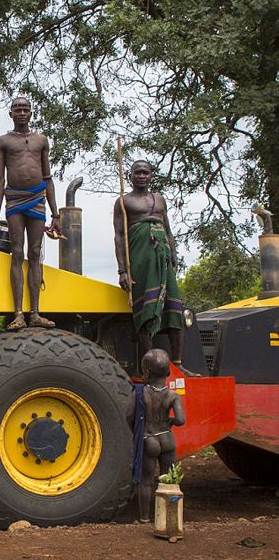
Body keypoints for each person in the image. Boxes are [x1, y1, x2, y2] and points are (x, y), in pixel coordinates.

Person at [113, 160, 194, 375]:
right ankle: (150, 368)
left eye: (145, 172)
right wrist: (122, 270)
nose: (142, 176)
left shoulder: (159, 199)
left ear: (151, 176)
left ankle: (177, 363)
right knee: (145, 312)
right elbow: (119, 236)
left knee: (174, 309)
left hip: (163, 257)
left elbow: (167, 229)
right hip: (140, 259)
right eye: (137, 172)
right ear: (130, 176)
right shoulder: (123, 202)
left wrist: (173, 254)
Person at [0, 97, 60, 331]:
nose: (22, 113)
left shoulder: (41, 140)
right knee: (17, 252)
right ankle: (18, 314)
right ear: (10, 114)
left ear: (31, 113)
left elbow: (48, 177)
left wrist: (56, 214)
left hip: (37, 198)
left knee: (34, 252)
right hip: (14, 199)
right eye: (17, 110)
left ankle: (35, 313)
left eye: (25, 109)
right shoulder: (3, 142)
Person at [127, 348, 186, 522]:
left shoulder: (139, 393)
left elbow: (129, 416)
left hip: (149, 439)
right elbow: (181, 420)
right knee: (169, 480)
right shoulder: (173, 396)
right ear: (168, 373)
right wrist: (170, 421)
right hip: (167, 438)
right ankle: (167, 518)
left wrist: (137, 432)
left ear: (145, 373)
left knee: (146, 481)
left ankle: (144, 518)